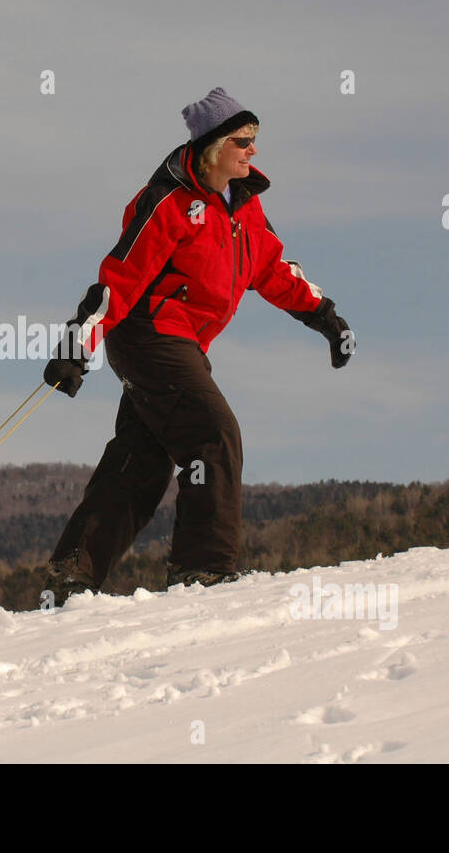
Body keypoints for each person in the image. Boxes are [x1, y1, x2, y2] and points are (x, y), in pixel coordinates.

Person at [41, 86, 353, 604]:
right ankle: (201, 569)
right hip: (148, 335)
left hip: (182, 343)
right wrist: (77, 346)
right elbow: (118, 278)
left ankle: (71, 576)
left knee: (140, 459)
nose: (253, 150)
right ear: (213, 145)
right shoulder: (168, 202)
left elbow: (274, 270)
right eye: (243, 139)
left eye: (255, 140)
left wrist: (326, 317)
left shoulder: (245, 209)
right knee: (213, 431)